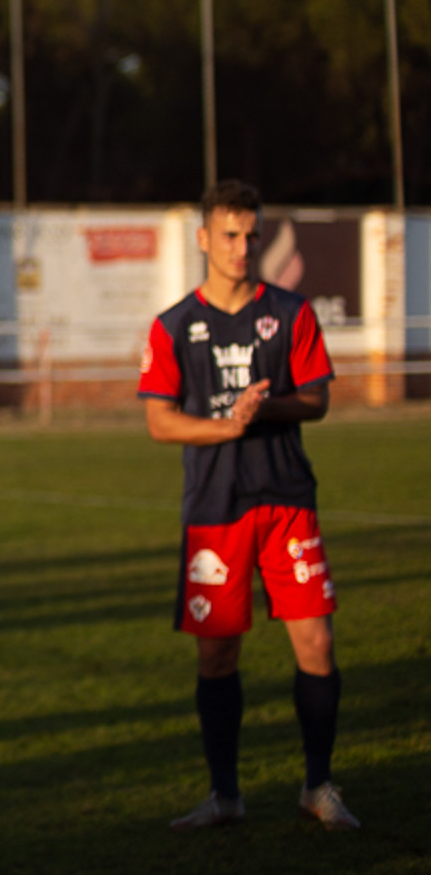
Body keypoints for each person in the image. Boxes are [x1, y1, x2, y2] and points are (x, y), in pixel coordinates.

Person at [139, 179, 358, 832]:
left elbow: (316, 401)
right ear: (204, 238)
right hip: (215, 506)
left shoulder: (291, 313)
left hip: (287, 497)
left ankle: (318, 787)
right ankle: (225, 796)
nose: (241, 247)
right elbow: (161, 422)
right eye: (228, 235)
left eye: (251, 234)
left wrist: (267, 408)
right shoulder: (174, 325)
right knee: (218, 657)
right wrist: (228, 427)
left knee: (316, 642)